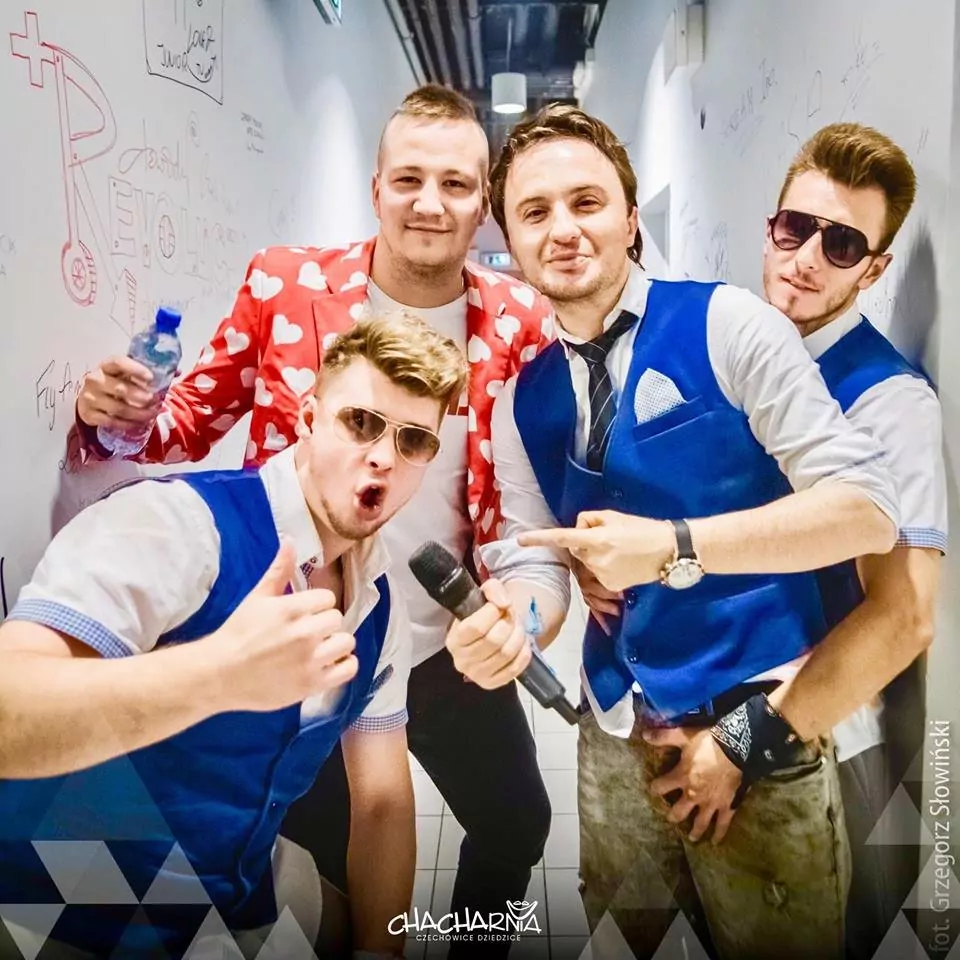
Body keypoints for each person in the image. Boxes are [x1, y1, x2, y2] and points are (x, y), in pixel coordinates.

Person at [73, 84, 555, 952]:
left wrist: (549, 588)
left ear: (482, 203)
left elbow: (541, 475)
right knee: (334, 854)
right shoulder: (286, 285)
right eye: (408, 179)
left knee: (518, 821)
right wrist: (120, 417)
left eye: (455, 184)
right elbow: (186, 423)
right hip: (306, 632)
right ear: (376, 188)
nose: (430, 203)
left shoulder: (519, 318)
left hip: (447, 638)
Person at [444, 104, 903, 960]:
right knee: (626, 941)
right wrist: (518, 622)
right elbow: (538, 561)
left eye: (587, 202)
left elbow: (866, 509)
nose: (563, 229)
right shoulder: (520, 403)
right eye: (535, 212)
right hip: (614, 729)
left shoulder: (729, 324)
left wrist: (673, 546)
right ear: (508, 238)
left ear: (631, 218)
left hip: (756, 727)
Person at [0, 312, 466, 959]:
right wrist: (218, 674)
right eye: (360, 422)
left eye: (413, 440)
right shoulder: (177, 525)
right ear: (307, 418)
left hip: (235, 884)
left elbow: (383, 800)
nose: (384, 457)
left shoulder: (378, 605)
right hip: (62, 900)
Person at [758, 122, 945, 957]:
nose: (806, 259)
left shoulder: (890, 401)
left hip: (821, 735)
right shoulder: (740, 348)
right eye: (794, 228)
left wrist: (749, 741)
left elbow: (905, 617)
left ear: (873, 269)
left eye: (841, 245)